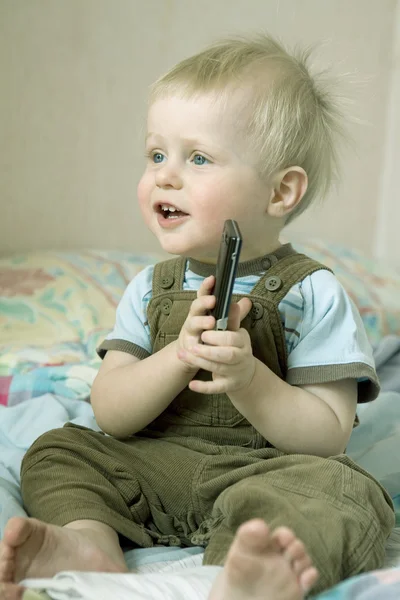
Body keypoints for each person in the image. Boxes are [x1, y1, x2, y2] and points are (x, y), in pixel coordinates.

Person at [0, 33, 395, 600]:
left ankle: (253, 565)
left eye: (199, 158)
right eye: (157, 154)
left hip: (265, 474)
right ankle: (89, 543)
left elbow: (327, 436)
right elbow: (112, 413)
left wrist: (250, 378)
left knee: (342, 494)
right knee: (59, 450)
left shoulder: (314, 294)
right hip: (156, 465)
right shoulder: (149, 288)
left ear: (281, 191)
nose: (165, 175)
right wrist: (176, 355)